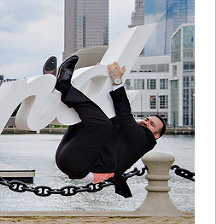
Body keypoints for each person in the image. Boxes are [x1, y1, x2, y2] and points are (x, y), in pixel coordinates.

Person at [52, 55, 165, 197]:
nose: (146, 122)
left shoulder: (145, 139)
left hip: (77, 164)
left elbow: (124, 114)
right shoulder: (130, 135)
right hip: (69, 157)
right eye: (147, 119)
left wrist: (117, 81)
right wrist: (102, 78)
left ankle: (64, 86)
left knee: (103, 125)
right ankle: (56, 89)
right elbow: (107, 112)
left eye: (151, 124)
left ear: (156, 135)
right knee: (95, 120)